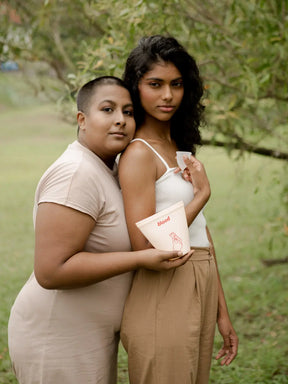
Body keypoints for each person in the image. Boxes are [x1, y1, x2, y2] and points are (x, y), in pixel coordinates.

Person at [8, 76, 193, 384]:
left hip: (89, 337)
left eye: (128, 112)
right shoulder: (75, 174)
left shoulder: (106, 168)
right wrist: (140, 259)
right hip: (59, 338)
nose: (120, 120)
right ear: (82, 119)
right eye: (107, 110)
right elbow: (51, 271)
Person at [118, 35, 239, 384]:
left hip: (199, 276)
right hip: (164, 288)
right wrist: (202, 194)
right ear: (136, 88)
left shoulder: (178, 147)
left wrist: (222, 314)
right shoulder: (140, 154)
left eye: (176, 84)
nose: (168, 96)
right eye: (155, 84)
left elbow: (201, 231)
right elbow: (145, 246)